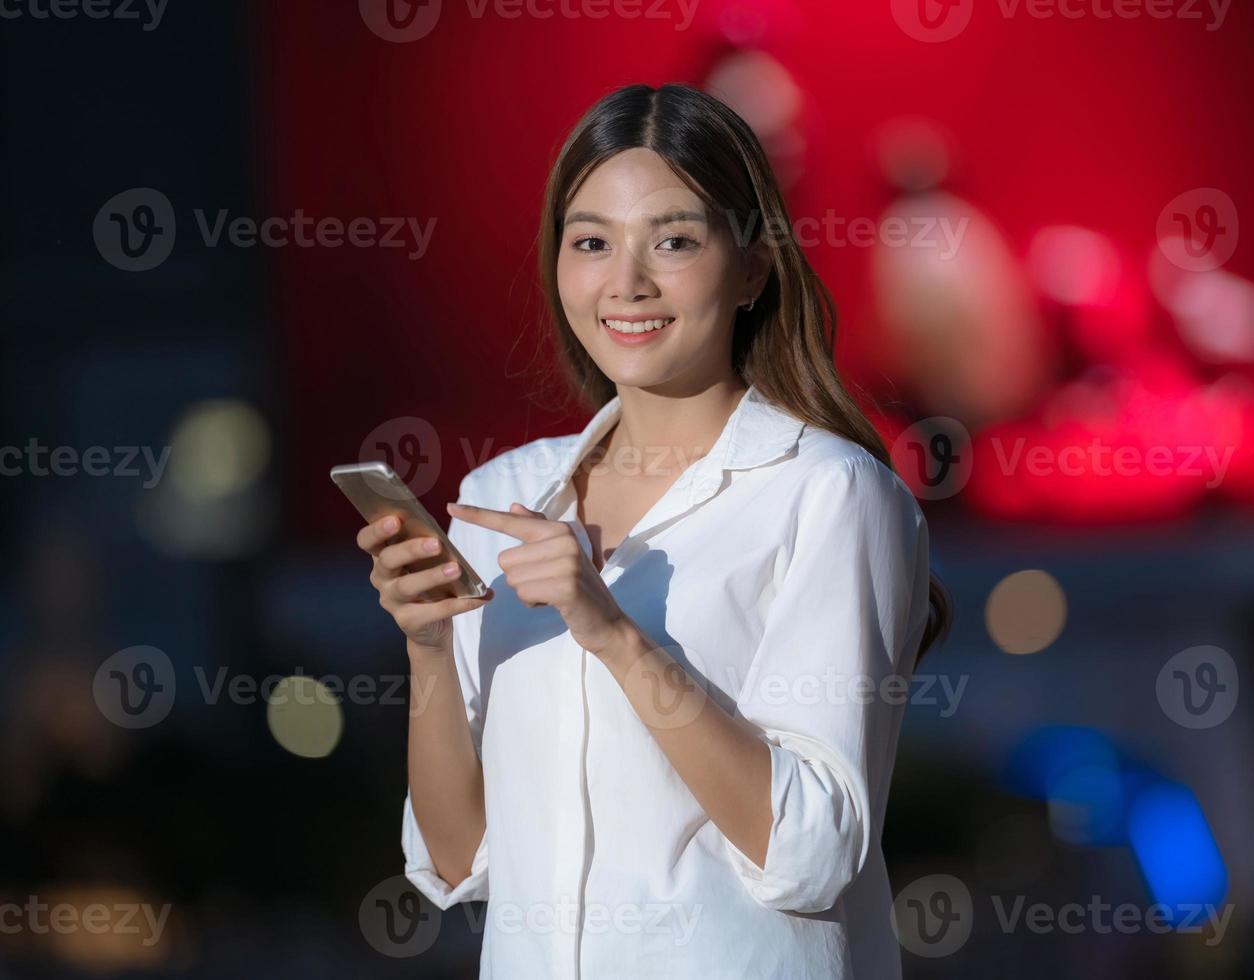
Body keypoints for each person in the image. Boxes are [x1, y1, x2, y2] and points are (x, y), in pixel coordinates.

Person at [355, 82, 952, 979]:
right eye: (591, 242)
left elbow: (813, 851)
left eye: (673, 241)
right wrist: (430, 648)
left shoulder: (830, 492)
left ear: (752, 267)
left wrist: (616, 637)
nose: (626, 283)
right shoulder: (504, 495)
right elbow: (457, 862)